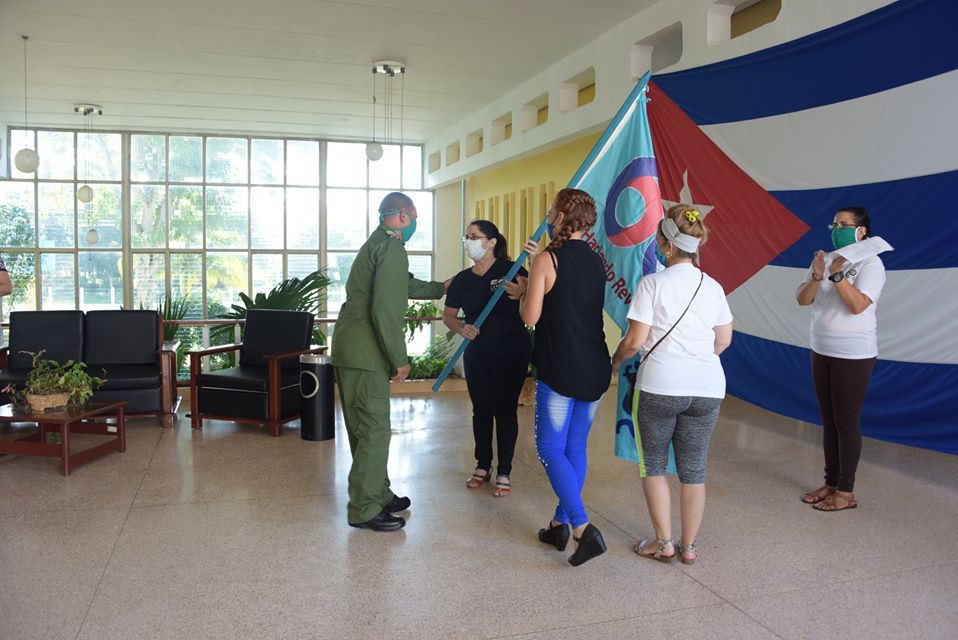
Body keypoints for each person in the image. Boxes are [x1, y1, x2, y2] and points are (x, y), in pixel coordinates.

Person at [611, 204, 733, 565]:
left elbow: (634, 342)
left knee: (653, 464)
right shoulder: (713, 287)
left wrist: (615, 362)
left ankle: (663, 542)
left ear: (665, 246)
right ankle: (690, 546)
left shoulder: (651, 284)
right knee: (694, 468)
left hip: (661, 385)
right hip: (708, 387)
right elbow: (723, 340)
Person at [332, 192, 449, 532]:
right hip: (367, 351)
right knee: (375, 430)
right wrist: (399, 358)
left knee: (363, 429)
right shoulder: (394, 247)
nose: (414, 224)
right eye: (413, 217)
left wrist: (442, 287)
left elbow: (400, 285)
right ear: (403, 215)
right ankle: (365, 508)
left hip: (349, 346)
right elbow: (385, 309)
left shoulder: (376, 243)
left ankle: (378, 493)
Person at [506, 188, 611, 567]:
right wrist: (539, 268)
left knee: (551, 450)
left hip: (561, 368)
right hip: (596, 368)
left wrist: (523, 291)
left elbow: (531, 318)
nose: (548, 214)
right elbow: (569, 294)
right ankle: (558, 524)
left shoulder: (547, 260)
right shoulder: (597, 262)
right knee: (575, 448)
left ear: (561, 218)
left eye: (552, 210)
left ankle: (583, 529)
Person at [796, 206, 886, 512]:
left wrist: (837, 278)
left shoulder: (872, 264)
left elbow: (858, 305)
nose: (836, 229)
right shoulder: (826, 259)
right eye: (834, 224)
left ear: (861, 232)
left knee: (846, 421)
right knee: (828, 420)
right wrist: (817, 275)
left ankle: (846, 491)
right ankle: (830, 482)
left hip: (854, 353)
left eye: (844, 224)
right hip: (821, 348)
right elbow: (803, 298)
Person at [443, 220, 536, 497]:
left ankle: (504, 471)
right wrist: (462, 328)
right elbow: (449, 315)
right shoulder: (462, 279)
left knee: (505, 410)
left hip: (512, 350)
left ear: (492, 242)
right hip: (478, 352)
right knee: (481, 410)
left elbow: (533, 304)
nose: (469, 241)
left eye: (475, 236)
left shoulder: (511, 270)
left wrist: (522, 292)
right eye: (467, 236)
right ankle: (483, 465)